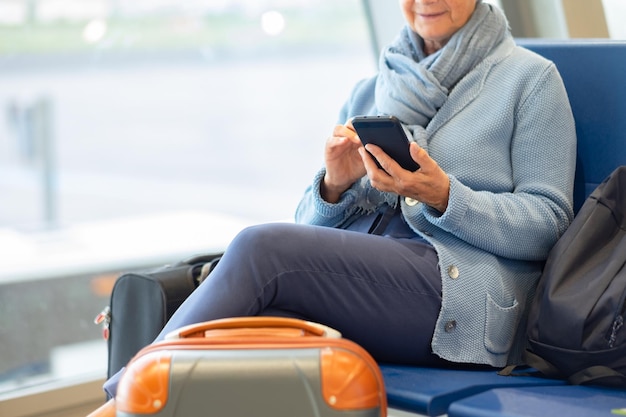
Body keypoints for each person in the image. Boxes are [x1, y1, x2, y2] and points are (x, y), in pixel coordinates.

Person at [101, 0, 576, 403]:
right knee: (253, 330)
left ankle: (125, 398)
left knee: (261, 250)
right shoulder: (372, 89)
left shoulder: (530, 80)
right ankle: (146, 400)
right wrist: (334, 185)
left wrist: (443, 195)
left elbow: (550, 223)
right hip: (378, 278)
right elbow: (309, 228)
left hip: (460, 287)